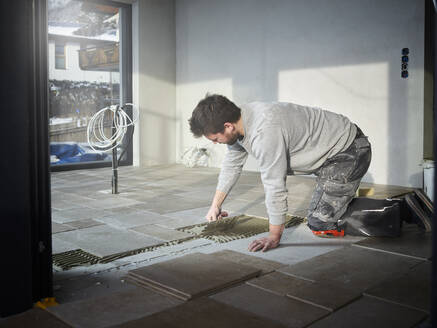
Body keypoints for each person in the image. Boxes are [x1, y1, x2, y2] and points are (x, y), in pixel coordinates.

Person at [188, 94, 371, 252]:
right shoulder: (238, 117)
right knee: (326, 208)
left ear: (228, 126)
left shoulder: (264, 131)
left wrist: (274, 237)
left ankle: (389, 213)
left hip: (348, 152)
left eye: (215, 138)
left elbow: (275, 185)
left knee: (320, 224)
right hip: (327, 154)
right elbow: (231, 166)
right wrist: (215, 205)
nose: (215, 143)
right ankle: (342, 196)